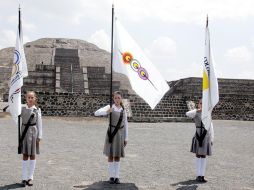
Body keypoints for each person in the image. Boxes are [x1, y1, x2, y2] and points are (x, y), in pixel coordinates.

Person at [94, 91, 128, 184]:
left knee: (117, 156)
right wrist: (106, 111)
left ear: (121, 99)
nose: (117, 99)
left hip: (120, 134)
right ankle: (111, 176)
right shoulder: (110, 107)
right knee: (110, 155)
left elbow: (125, 124)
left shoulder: (123, 109)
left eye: (119, 98)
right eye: (115, 98)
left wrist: (126, 138)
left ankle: (116, 176)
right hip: (111, 133)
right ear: (113, 98)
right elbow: (96, 113)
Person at [186, 99, 214, 183]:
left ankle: (202, 175)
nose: (201, 104)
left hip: (206, 136)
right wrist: (197, 109)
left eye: (203, 103)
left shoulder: (208, 114)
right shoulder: (195, 112)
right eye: (200, 103)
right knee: (198, 155)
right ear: (198, 104)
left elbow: (211, 127)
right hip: (198, 135)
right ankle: (198, 175)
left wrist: (212, 138)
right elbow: (187, 114)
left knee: (204, 156)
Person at [19, 91, 42, 187]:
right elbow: (12, 110)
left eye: (32, 97)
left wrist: (39, 136)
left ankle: (30, 177)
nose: (30, 99)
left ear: (35, 98)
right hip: (24, 132)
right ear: (26, 98)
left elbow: (39, 124)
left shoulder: (37, 110)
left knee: (32, 155)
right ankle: (24, 178)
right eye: (28, 97)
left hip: (33, 133)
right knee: (25, 155)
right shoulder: (21, 108)